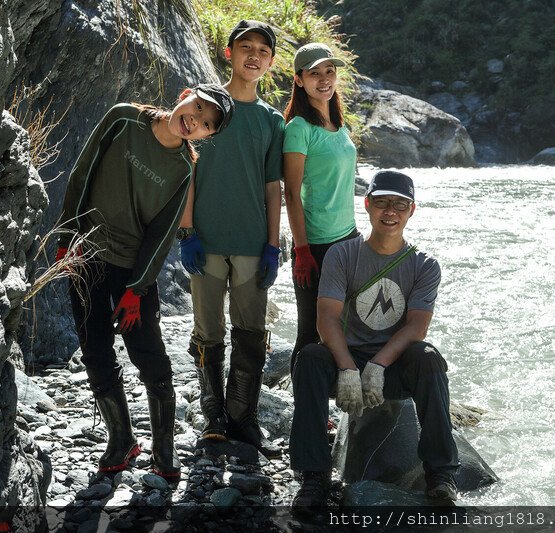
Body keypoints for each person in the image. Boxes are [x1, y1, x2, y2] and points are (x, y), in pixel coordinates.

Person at [56, 84, 234, 482]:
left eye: (206, 125)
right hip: (85, 256)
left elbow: (162, 232)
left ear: (207, 136)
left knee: (149, 357)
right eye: (199, 108)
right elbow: (83, 173)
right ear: (186, 94)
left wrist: (137, 289)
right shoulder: (123, 118)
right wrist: (67, 237)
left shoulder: (183, 168)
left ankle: (163, 447)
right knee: (94, 349)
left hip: (133, 271)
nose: (196, 121)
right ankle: (121, 439)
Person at [289, 170, 460, 511]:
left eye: (400, 204)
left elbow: (417, 327)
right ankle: (314, 476)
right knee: (308, 357)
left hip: (392, 367)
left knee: (428, 357)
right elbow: (326, 317)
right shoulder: (343, 255)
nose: (390, 212)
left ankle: (441, 474)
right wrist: (348, 367)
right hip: (346, 360)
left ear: (412, 211)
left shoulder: (424, 265)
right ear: (367, 205)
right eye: (381, 202)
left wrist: (379, 364)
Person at [177, 20, 284, 458]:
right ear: (229, 53)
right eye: (245, 47)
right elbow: (186, 168)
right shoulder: (203, 104)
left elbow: (272, 187)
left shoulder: (271, 120)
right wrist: (186, 231)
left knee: (252, 332)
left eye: (262, 49)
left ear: (271, 62)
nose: (253, 55)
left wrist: (274, 244)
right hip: (205, 239)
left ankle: (244, 416)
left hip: (251, 242)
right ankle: (213, 416)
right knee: (208, 331)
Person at [283, 42, 360, 369]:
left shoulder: (339, 125)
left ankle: (340, 405)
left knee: (349, 328)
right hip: (316, 246)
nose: (325, 79)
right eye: (315, 73)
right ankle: (305, 409)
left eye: (329, 71)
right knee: (310, 333)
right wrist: (301, 251)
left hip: (350, 239)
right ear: (300, 80)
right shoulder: (299, 128)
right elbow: (291, 193)